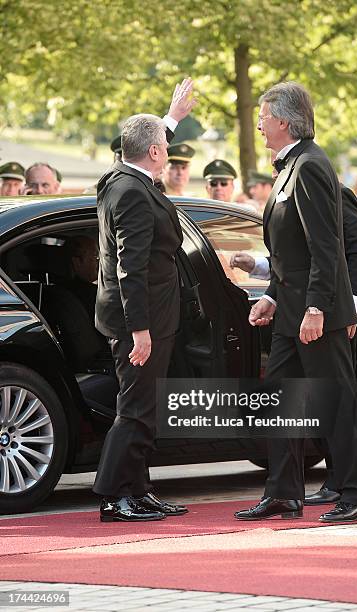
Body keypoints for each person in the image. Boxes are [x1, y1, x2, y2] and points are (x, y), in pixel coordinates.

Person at [235, 81, 357, 524]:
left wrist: (316, 306)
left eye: (263, 116)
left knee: (335, 403)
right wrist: (273, 296)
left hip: (318, 315)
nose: (258, 124)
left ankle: (356, 495)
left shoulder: (311, 165)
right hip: (290, 315)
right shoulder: (289, 166)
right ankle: (282, 493)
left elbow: (326, 246)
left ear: (283, 119)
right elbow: (290, 253)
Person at [93, 78, 196, 522]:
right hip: (143, 320)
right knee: (136, 410)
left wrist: (169, 119)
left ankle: (139, 490)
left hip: (144, 316)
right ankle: (115, 495)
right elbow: (129, 266)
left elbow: (141, 147)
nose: (167, 152)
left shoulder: (119, 179)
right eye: (164, 145)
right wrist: (140, 330)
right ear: (154, 153)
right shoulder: (133, 193)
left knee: (144, 407)